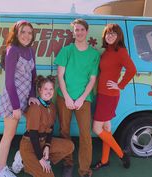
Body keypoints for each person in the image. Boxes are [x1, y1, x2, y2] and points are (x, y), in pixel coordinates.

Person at [54, 19, 100, 177]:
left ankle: (84, 170)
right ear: (73, 32)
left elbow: (92, 79)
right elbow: (60, 76)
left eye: (81, 29)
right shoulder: (66, 51)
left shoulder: (94, 54)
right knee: (64, 131)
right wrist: (67, 97)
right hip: (63, 97)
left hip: (84, 99)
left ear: (87, 32)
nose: (79, 32)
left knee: (85, 135)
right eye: (76, 30)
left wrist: (81, 98)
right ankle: (68, 163)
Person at [0, 20, 39, 177]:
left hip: (26, 99)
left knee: (35, 128)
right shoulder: (12, 50)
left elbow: (33, 75)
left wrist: (33, 96)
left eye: (29, 32)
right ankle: (1, 170)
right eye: (23, 32)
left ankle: (20, 156)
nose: (26, 36)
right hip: (13, 99)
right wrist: (15, 107)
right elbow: (9, 82)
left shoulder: (31, 51)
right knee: (9, 135)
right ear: (16, 33)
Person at [92, 24, 136, 170]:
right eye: (108, 34)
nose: (110, 36)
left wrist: (120, 85)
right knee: (106, 127)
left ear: (119, 37)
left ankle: (121, 154)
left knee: (97, 129)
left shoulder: (121, 51)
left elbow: (132, 70)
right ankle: (105, 160)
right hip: (102, 94)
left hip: (109, 96)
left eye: (113, 34)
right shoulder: (106, 52)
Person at [20, 75, 75, 177]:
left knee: (69, 146)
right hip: (30, 145)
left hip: (43, 141)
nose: (48, 92)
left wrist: (47, 146)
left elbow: (51, 129)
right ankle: (23, 161)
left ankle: (43, 159)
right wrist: (41, 159)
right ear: (39, 90)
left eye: (51, 89)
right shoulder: (35, 107)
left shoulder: (52, 107)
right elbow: (33, 134)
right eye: (45, 89)